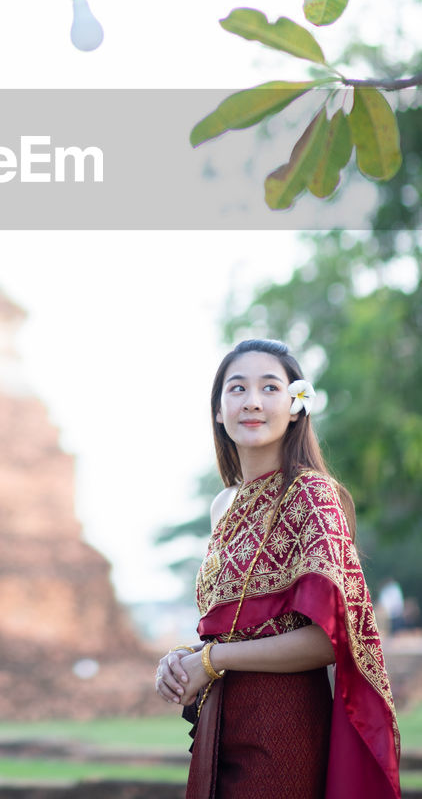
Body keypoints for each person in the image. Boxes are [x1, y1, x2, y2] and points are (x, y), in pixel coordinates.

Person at [155, 338, 400, 799]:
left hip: (282, 726)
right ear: (217, 410)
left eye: (270, 388)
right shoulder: (222, 505)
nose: (252, 401)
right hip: (219, 724)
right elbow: (237, 629)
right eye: (237, 388)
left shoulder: (312, 495)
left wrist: (212, 660)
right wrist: (184, 656)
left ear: (295, 406)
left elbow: (328, 640)